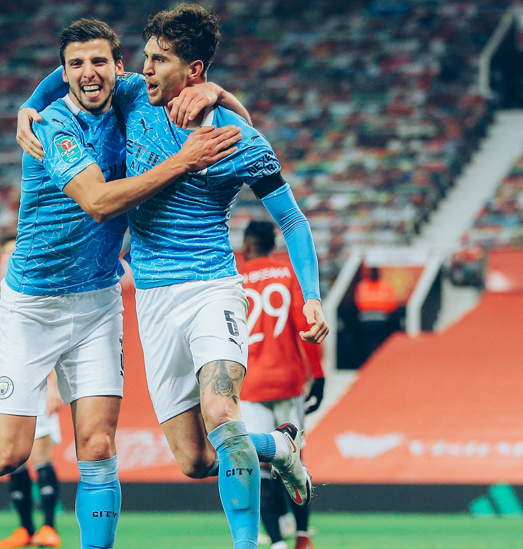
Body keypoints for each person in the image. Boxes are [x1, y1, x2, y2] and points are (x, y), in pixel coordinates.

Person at [0, 18, 242, 549]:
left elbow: (235, 126)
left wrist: (216, 89)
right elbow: (98, 201)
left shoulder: (135, 93)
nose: (89, 73)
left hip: (97, 302)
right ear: (62, 75)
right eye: (76, 64)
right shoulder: (52, 126)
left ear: (119, 68)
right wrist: (181, 162)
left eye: (99, 62)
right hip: (33, 305)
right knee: (7, 454)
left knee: (98, 443)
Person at [17, 6, 329, 548]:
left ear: (194, 71)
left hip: (212, 287)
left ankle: (247, 543)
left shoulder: (239, 140)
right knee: (193, 459)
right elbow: (81, 68)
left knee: (221, 408)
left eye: (159, 60)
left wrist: (315, 299)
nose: (145, 68)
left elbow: (292, 220)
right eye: (145, 57)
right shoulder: (138, 95)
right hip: (153, 298)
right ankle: (277, 449)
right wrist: (31, 102)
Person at [238, 221, 325, 549]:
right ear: (273, 243)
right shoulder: (287, 273)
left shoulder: (235, 277)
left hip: (250, 385)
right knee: (294, 459)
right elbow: (306, 326)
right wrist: (318, 374)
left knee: (259, 464)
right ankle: (302, 537)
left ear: (248, 244)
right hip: (288, 381)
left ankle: (275, 541)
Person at [0, 236, 62, 549]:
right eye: (4, 254)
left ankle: (49, 528)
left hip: (37, 382)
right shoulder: (0, 292)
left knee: (40, 455)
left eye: (13, 253)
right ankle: (25, 529)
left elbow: (49, 339)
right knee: (12, 456)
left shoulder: (39, 286)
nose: (8, 259)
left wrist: (53, 385)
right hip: (6, 384)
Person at [354, 266, 399, 356]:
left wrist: (376, 306)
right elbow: (359, 303)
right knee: (365, 341)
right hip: (366, 319)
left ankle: (380, 355)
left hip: (382, 319)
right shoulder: (363, 285)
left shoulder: (385, 285)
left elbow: (392, 304)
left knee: (382, 340)